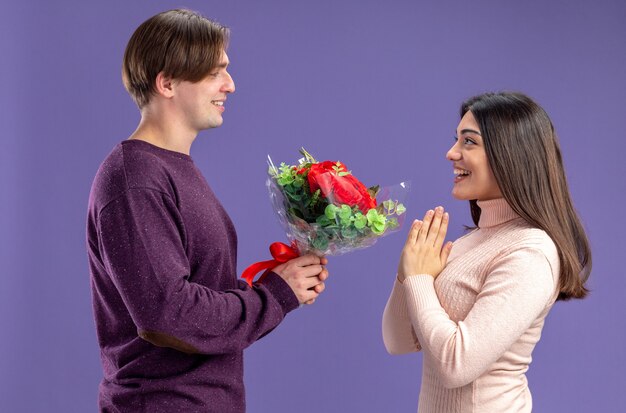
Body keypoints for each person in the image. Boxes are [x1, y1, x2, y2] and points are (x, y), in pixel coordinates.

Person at [86, 9, 329, 412]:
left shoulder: (169, 168)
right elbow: (168, 314)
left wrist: (280, 284)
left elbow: (197, 298)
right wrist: (275, 295)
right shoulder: (137, 178)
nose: (230, 85)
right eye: (215, 73)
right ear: (167, 82)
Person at [382, 92, 591, 412]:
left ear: (511, 154)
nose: (451, 153)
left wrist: (421, 278)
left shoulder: (530, 253)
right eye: (456, 140)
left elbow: (455, 366)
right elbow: (398, 343)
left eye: (469, 142)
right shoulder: (472, 242)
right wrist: (406, 275)